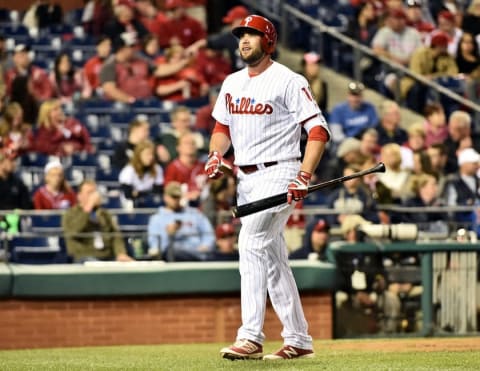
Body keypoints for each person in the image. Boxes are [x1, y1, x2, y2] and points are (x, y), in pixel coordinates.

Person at [205, 15, 330, 360]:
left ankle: (251, 337)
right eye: (241, 35)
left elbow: (318, 131)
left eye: (252, 35)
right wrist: (216, 155)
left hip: (280, 171)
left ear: (269, 41)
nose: (244, 40)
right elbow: (221, 128)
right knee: (273, 260)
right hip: (245, 179)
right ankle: (299, 339)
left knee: (252, 242)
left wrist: (303, 175)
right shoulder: (231, 82)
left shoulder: (288, 80)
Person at [62, 179, 134, 263]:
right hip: (83, 256)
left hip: (106, 256)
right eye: (89, 193)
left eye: (94, 192)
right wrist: (88, 208)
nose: (94, 196)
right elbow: (73, 231)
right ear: (79, 196)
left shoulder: (105, 214)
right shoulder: (71, 213)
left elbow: (115, 235)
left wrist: (120, 253)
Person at [147, 181, 215, 261]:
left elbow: (208, 233)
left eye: (178, 196)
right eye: (173, 196)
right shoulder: (157, 219)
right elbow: (156, 247)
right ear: (165, 197)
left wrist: (206, 245)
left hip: (198, 251)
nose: (176, 200)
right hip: (173, 255)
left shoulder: (194, 213)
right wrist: (168, 235)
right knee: (174, 250)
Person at [328, 81, 378, 149]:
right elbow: (337, 136)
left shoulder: (369, 108)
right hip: (346, 145)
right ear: (348, 95)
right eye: (353, 95)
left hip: (367, 144)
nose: (355, 99)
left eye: (358, 95)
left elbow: (374, 130)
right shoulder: (338, 110)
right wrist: (355, 144)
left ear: (362, 96)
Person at [118, 139, 164, 206]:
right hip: (130, 205)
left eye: (152, 154)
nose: (150, 157)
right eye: (147, 154)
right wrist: (145, 194)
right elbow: (128, 194)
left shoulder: (157, 168)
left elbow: (158, 191)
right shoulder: (129, 170)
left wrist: (139, 193)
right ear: (139, 155)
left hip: (151, 203)